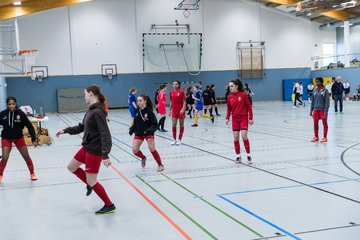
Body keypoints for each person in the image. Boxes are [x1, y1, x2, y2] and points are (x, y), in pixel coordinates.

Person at [56, 85, 115, 215]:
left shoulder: (98, 112)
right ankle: (89, 183)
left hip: (95, 151)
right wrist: (66, 130)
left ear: (91, 94)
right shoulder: (90, 111)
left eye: (85, 94)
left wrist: (105, 155)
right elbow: (82, 127)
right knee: (71, 167)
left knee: (92, 180)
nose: (84, 96)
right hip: (87, 147)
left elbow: (105, 134)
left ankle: (109, 204)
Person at [0, 97, 38, 183]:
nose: (11, 106)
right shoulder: (3, 114)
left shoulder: (21, 114)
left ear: (16, 104)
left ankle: (32, 173)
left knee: (26, 157)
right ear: (7, 105)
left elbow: (30, 126)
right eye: (9, 104)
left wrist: (33, 139)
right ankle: (0, 174)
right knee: (5, 158)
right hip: (6, 138)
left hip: (18, 138)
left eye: (13, 104)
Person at [129, 95, 164, 172]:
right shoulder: (136, 111)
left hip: (148, 132)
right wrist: (132, 128)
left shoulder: (149, 112)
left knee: (152, 148)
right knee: (134, 150)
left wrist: (150, 130)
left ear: (145, 101)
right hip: (139, 133)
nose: (138, 102)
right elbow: (135, 122)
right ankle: (143, 157)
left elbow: (155, 124)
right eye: (138, 101)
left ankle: (160, 165)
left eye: (140, 101)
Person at [226, 79, 253, 164]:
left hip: (244, 118)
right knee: (236, 138)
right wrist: (227, 118)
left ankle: (248, 155)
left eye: (232, 86)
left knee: (244, 136)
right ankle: (238, 156)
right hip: (235, 120)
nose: (230, 88)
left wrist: (251, 118)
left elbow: (249, 107)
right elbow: (229, 109)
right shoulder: (229, 97)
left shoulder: (243, 95)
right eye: (229, 86)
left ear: (236, 86)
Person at [310, 78, 330, 143]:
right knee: (315, 124)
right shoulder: (314, 91)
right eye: (316, 82)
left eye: (318, 81)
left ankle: (324, 137)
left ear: (321, 82)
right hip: (315, 110)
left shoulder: (325, 91)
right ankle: (316, 136)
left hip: (322, 110)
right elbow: (312, 101)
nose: (316, 83)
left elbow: (327, 102)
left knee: (324, 123)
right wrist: (311, 110)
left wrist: (325, 111)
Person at [169, 81, 186, 145]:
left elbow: (184, 101)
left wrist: (183, 109)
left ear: (178, 85)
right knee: (174, 124)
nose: (175, 85)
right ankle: (174, 139)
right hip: (174, 111)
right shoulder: (171, 92)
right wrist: (170, 110)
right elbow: (171, 101)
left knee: (181, 125)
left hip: (181, 111)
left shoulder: (181, 92)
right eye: (173, 84)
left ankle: (179, 139)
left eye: (176, 84)